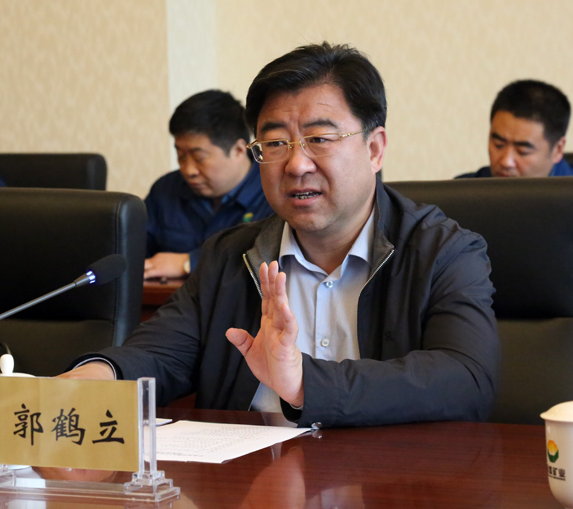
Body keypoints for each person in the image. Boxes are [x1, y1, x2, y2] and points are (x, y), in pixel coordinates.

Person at [62, 43, 499, 428]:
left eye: (319, 138)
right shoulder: (231, 256)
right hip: (249, 481)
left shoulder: (443, 252)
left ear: (374, 149)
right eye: (274, 144)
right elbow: (160, 353)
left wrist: (305, 383)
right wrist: (97, 376)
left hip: (390, 481)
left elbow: (467, 380)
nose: (296, 165)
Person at [456, 79, 573, 281]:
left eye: (522, 151)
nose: (506, 161)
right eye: (498, 144)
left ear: (558, 149)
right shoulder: (463, 192)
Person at [143, 90, 274, 279]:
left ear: (238, 150)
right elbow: (131, 249)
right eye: (181, 156)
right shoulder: (165, 189)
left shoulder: (273, 193)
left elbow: (266, 261)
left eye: (199, 157)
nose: (188, 170)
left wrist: (189, 263)